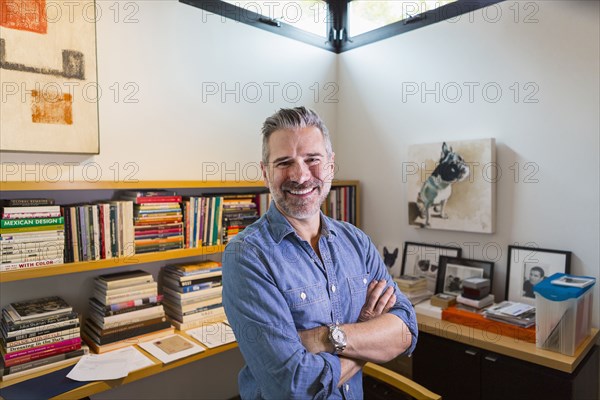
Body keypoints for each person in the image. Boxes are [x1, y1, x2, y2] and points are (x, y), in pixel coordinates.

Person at [222, 107, 418, 399]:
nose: (300, 176)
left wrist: (324, 338)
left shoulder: (356, 242)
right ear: (265, 173)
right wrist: (367, 338)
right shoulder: (247, 255)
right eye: (284, 162)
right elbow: (292, 387)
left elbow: (405, 332)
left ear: (330, 166)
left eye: (312, 159)